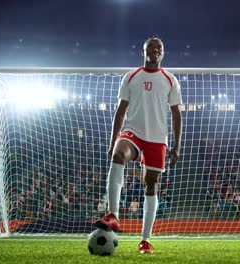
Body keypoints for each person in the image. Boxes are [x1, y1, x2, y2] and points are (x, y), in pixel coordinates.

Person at [95, 36, 182, 254]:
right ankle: (113, 214)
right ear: (142, 51)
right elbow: (121, 111)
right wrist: (113, 139)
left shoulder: (170, 79)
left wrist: (177, 146)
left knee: (151, 184)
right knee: (118, 155)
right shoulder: (131, 77)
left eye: (159, 47)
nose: (155, 50)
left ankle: (145, 240)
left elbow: (176, 114)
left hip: (157, 137)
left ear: (163, 53)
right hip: (133, 131)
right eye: (150, 47)